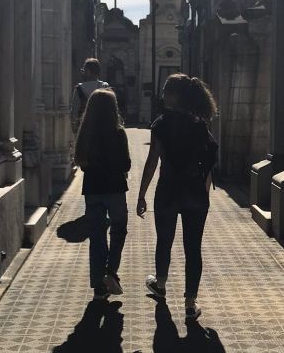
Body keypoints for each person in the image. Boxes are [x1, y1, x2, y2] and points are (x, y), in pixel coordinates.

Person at [136, 74, 218, 321]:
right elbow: (210, 158)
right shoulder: (199, 124)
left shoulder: (161, 124)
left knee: (165, 241)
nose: (162, 95)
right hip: (194, 190)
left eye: (166, 91)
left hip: (169, 189)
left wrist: (141, 194)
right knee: (193, 248)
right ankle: (191, 304)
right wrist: (205, 185)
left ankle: (160, 286)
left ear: (176, 95)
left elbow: (152, 161)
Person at [74, 88, 130, 301]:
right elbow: (126, 164)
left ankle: (99, 285)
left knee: (97, 236)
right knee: (118, 231)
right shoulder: (118, 133)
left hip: (93, 190)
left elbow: (82, 163)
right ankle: (111, 272)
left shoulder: (85, 133)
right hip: (115, 189)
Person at [70, 58, 108, 134]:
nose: (82, 71)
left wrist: (75, 132)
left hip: (84, 130)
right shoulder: (104, 87)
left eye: (84, 69)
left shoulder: (79, 89)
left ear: (88, 72)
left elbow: (74, 113)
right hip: (102, 130)